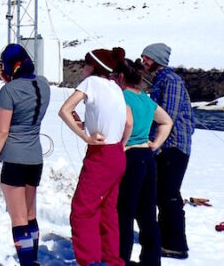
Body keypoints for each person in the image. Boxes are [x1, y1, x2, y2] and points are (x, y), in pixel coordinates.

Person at [59, 48, 133, 266]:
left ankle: (90, 261)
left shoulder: (90, 83)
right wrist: (118, 141)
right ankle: (111, 260)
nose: (83, 68)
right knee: (107, 212)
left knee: (82, 210)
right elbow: (128, 122)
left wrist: (85, 136)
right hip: (117, 154)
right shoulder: (116, 87)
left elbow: (64, 110)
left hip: (100, 155)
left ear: (93, 67)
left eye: (85, 64)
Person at [0, 44, 51, 266]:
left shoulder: (8, 91)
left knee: (18, 219)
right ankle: (33, 260)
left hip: (14, 158)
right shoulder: (43, 84)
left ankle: (26, 264)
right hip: (35, 157)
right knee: (30, 215)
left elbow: (2, 130)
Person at [114, 58, 173, 266]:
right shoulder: (145, 99)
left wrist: (122, 144)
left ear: (120, 77)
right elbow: (167, 121)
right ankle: (151, 260)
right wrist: (155, 144)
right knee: (148, 214)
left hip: (129, 156)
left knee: (124, 213)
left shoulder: (121, 97)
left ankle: (120, 259)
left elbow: (125, 123)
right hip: (147, 159)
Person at [141, 43, 194, 260]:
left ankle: (176, 244)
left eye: (147, 58)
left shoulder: (171, 81)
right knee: (161, 193)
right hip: (164, 145)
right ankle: (165, 238)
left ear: (157, 59)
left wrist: (155, 144)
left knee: (169, 194)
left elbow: (166, 117)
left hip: (172, 145)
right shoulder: (160, 80)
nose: (143, 61)